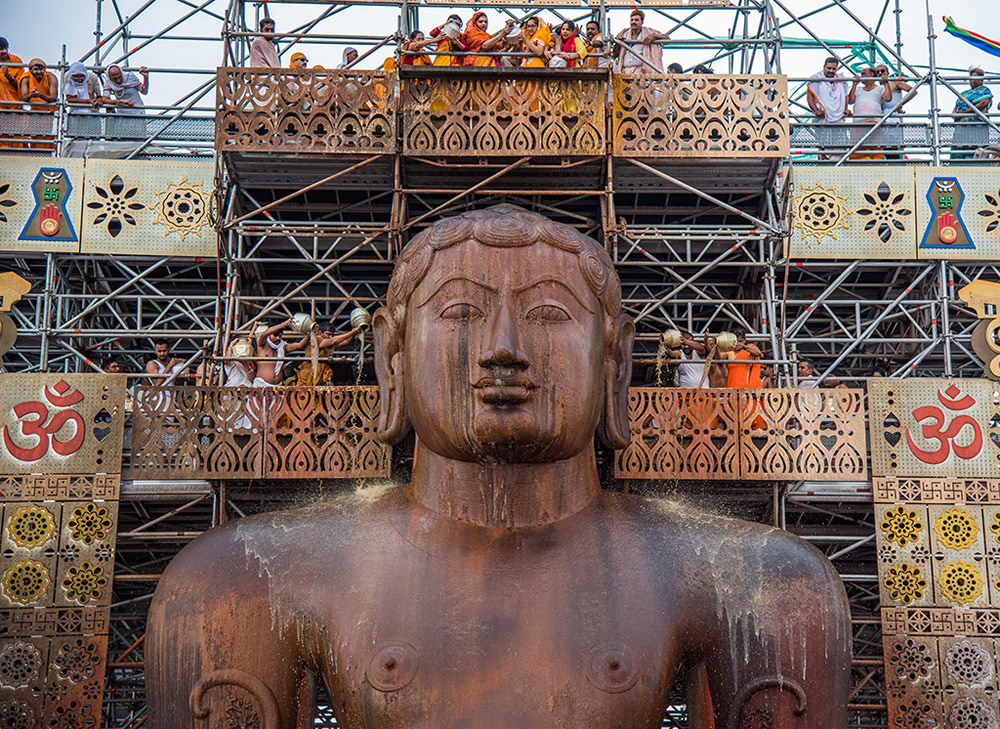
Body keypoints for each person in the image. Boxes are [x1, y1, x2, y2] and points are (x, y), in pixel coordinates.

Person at [148, 207, 850, 729]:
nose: (503, 349)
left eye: (548, 313)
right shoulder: (246, 578)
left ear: (614, 360)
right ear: (392, 357)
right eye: (461, 311)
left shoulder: (758, 583)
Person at [293, 324, 362, 386]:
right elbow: (333, 340)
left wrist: (354, 333)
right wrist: (353, 332)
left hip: (320, 375)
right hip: (308, 375)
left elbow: (346, 341)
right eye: (328, 334)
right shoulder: (317, 339)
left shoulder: (329, 344)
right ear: (320, 332)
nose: (330, 337)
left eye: (332, 335)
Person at [847, 66, 891, 158]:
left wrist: (886, 84)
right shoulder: (858, 89)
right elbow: (851, 101)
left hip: (873, 123)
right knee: (856, 152)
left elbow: (887, 98)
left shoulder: (880, 88)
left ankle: (877, 168)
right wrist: (854, 85)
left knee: (875, 150)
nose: (861, 76)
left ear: (871, 75)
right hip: (857, 124)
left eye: (863, 73)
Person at [953, 66, 993, 160]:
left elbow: (983, 103)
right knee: (960, 149)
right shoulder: (963, 94)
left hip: (976, 126)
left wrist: (966, 112)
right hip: (962, 127)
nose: (973, 81)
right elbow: (955, 110)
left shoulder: (984, 91)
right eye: (971, 79)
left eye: (976, 79)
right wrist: (957, 114)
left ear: (981, 80)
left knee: (977, 150)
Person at [253, 319, 308, 387]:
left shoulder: (283, 346)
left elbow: (299, 345)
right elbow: (264, 334)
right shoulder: (262, 344)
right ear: (269, 334)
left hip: (278, 386)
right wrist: (283, 324)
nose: (278, 338)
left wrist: (309, 334)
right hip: (261, 384)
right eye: (275, 336)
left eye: (280, 336)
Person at [876, 63, 913, 159]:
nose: (880, 73)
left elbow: (912, 91)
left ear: (887, 72)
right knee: (882, 145)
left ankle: (894, 162)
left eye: (882, 71)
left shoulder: (894, 82)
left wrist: (900, 104)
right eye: (878, 72)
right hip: (881, 117)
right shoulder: (877, 87)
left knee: (892, 144)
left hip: (892, 116)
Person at [615, 10, 669, 74]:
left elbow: (667, 39)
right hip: (625, 70)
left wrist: (654, 36)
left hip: (641, 71)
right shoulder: (625, 33)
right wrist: (618, 40)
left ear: (642, 22)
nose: (633, 22)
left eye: (636, 20)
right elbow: (615, 54)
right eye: (632, 20)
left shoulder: (648, 32)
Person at [19, 59, 58, 150]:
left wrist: (40, 95)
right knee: (36, 137)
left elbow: (53, 98)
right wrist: (31, 95)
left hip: (49, 113)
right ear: (30, 70)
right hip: (35, 113)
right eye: (36, 69)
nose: (39, 72)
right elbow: (24, 98)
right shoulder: (26, 78)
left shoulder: (50, 77)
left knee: (50, 137)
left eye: (41, 69)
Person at [0, 38, 25, 148]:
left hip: (14, 106)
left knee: (15, 135)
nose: (3, 52)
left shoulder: (16, 62)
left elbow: (20, 85)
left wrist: (8, 76)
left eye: (4, 48)